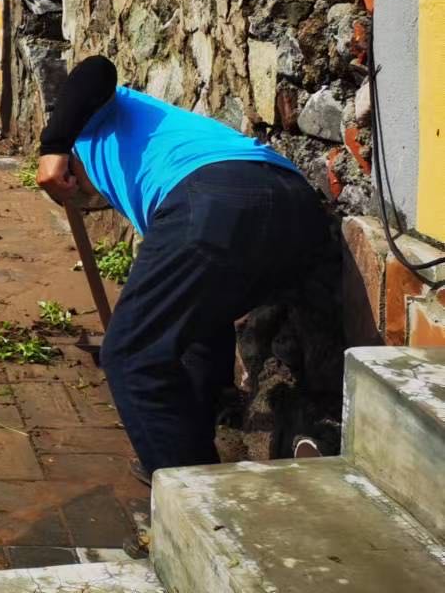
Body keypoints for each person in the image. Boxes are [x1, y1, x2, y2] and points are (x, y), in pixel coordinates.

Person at [36, 55, 330, 483]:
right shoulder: (152, 161)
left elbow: (96, 69)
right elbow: (195, 314)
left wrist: (54, 145)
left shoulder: (89, 121)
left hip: (215, 196)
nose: (86, 193)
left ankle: (198, 501)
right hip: (297, 207)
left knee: (129, 353)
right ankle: (184, 449)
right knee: (194, 325)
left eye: (76, 187)